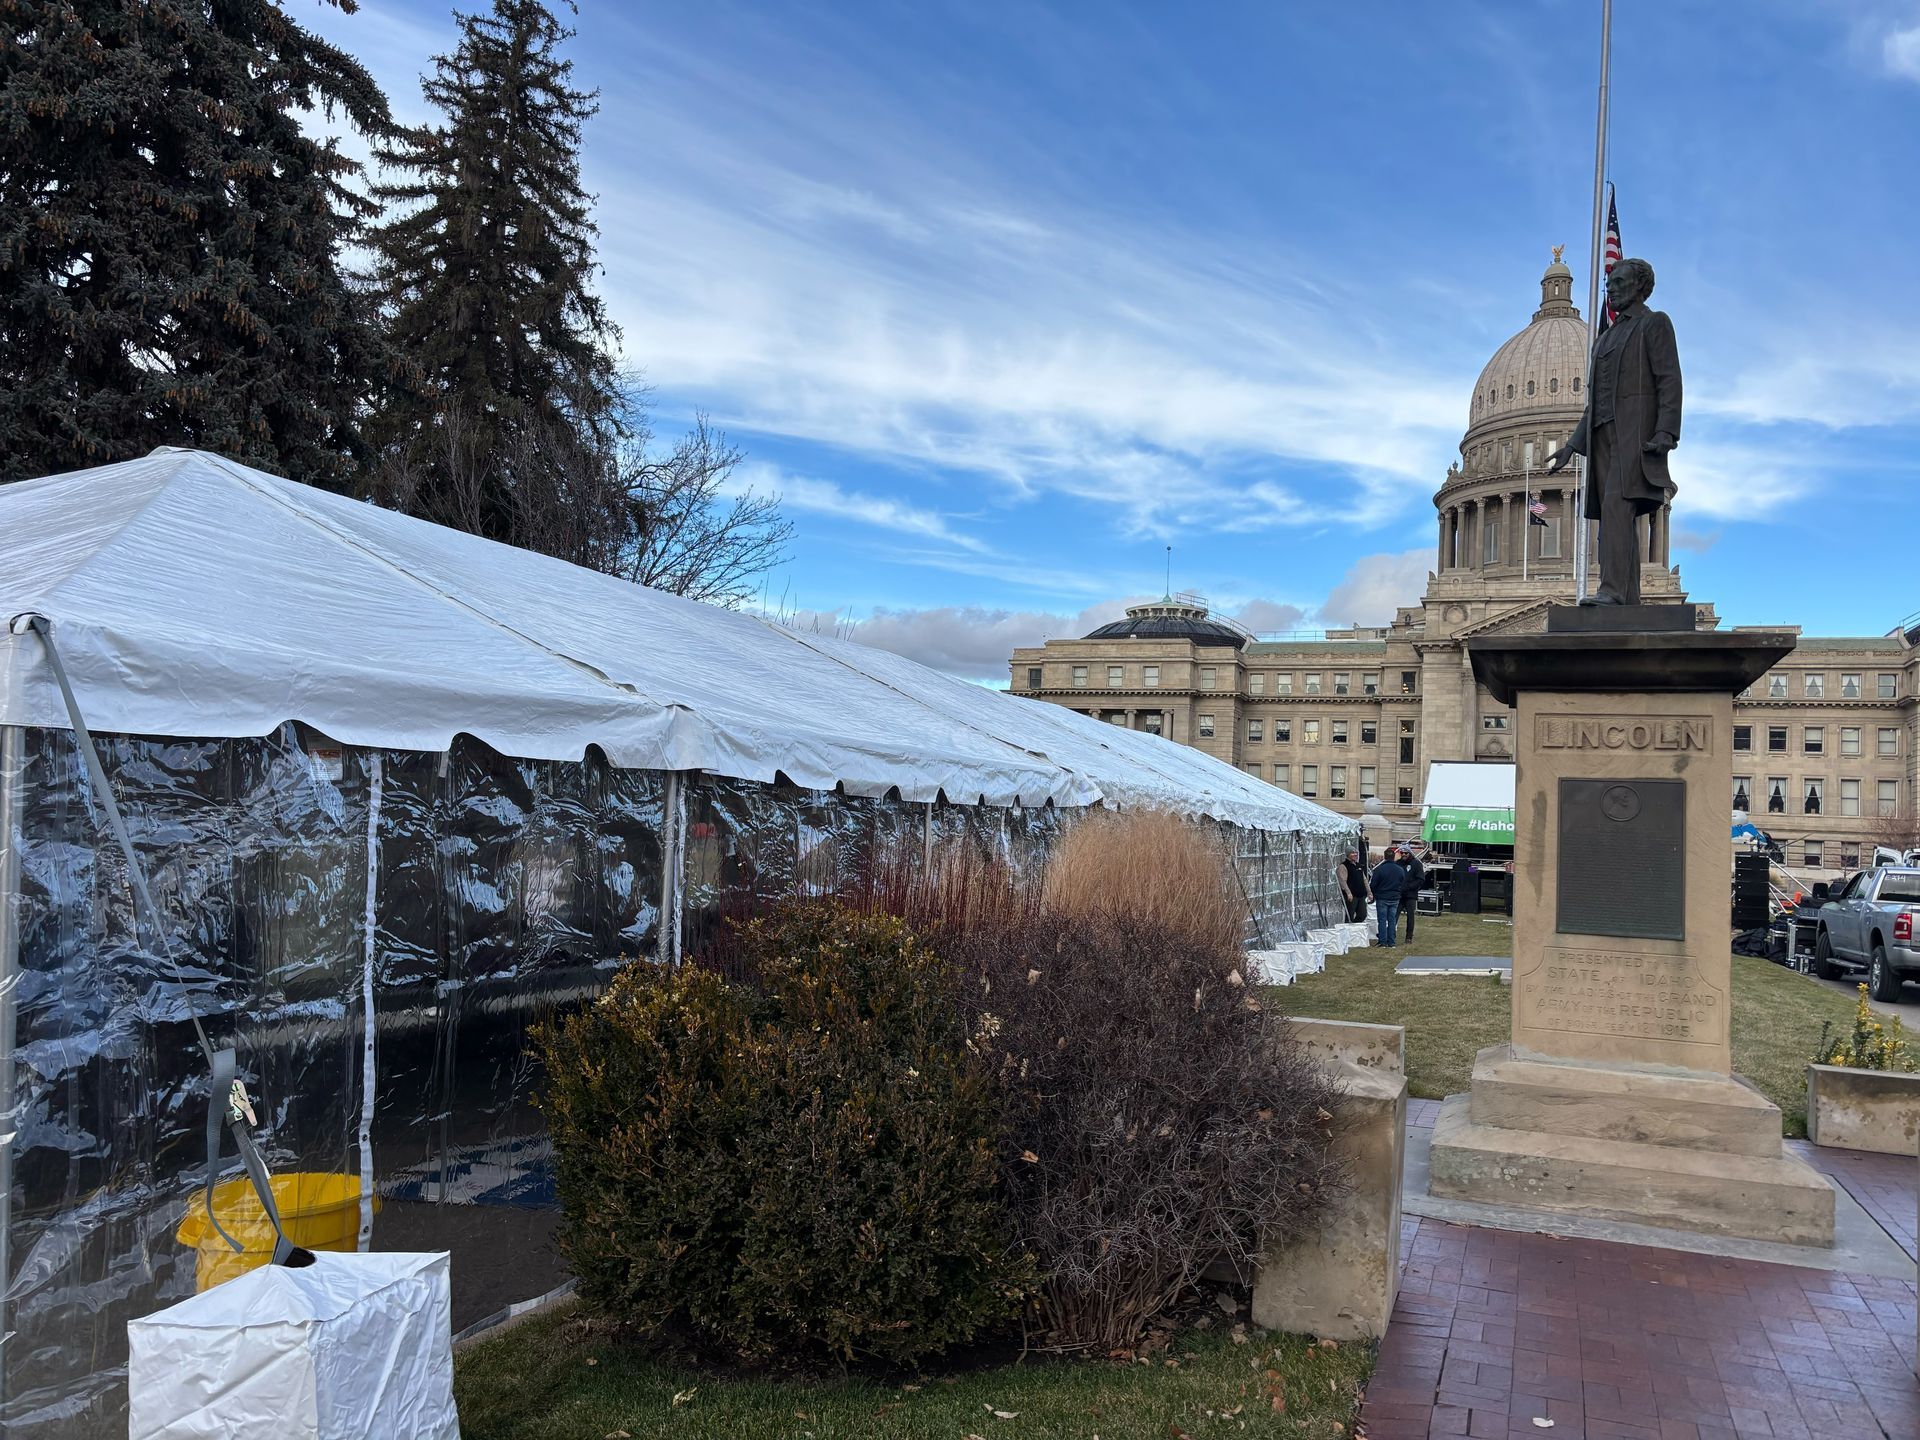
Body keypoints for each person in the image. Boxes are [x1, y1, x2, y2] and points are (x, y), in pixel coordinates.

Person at [1544, 256, 1682, 607]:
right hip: (1601, 435)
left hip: (1634, 435)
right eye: (1610, 283)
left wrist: (1666, 431)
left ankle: (1613, 592)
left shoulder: (1654, 324)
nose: (1611, 288)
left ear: (1639, 286)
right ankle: (1627, 597)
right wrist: (1573, 445)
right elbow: (1596, 400)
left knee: (1620, 511)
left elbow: (1669, 381)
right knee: (1613, 516)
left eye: (1619, 282)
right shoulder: (1603, 339)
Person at [1370, 849, 1406, 949]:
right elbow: (1402, 883)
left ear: (1385, 857)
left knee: (1382, 920)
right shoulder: (1399, 869)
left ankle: (1382, 942)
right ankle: (1392, 942)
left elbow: (1373, 884)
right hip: (1395, 897)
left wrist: (1374, 894)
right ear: (1394, 857)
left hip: (1382, 897)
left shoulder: (1380, 869)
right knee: (1392, 920)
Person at [1398, 845, 1427, 944]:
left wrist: (1409, 887)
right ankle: (1391, 934)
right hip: (1399, 894)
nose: (1403, 855)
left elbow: (1420, 879)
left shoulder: (1416, 864)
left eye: (1405, 853)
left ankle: (1409, 936)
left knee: (1410, 916)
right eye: (1401, 853)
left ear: (1410, 853)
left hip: (1410, 895)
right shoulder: (1398, 864)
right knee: (1394, 915)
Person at [1338, 848, 1369, 923]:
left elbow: (1364, 880)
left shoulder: (1359, 866)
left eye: (1356, 853)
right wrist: (1348, 893)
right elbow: (1342, 881)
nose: (1355, 854)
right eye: (1353, 853)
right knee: (1349, 915)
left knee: (1363, 914)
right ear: (1348, 855)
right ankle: (1348, 931)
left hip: (1361, 895)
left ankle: (1355, 928)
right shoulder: (1343, 866)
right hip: (1351, 896)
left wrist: (1369, 892)